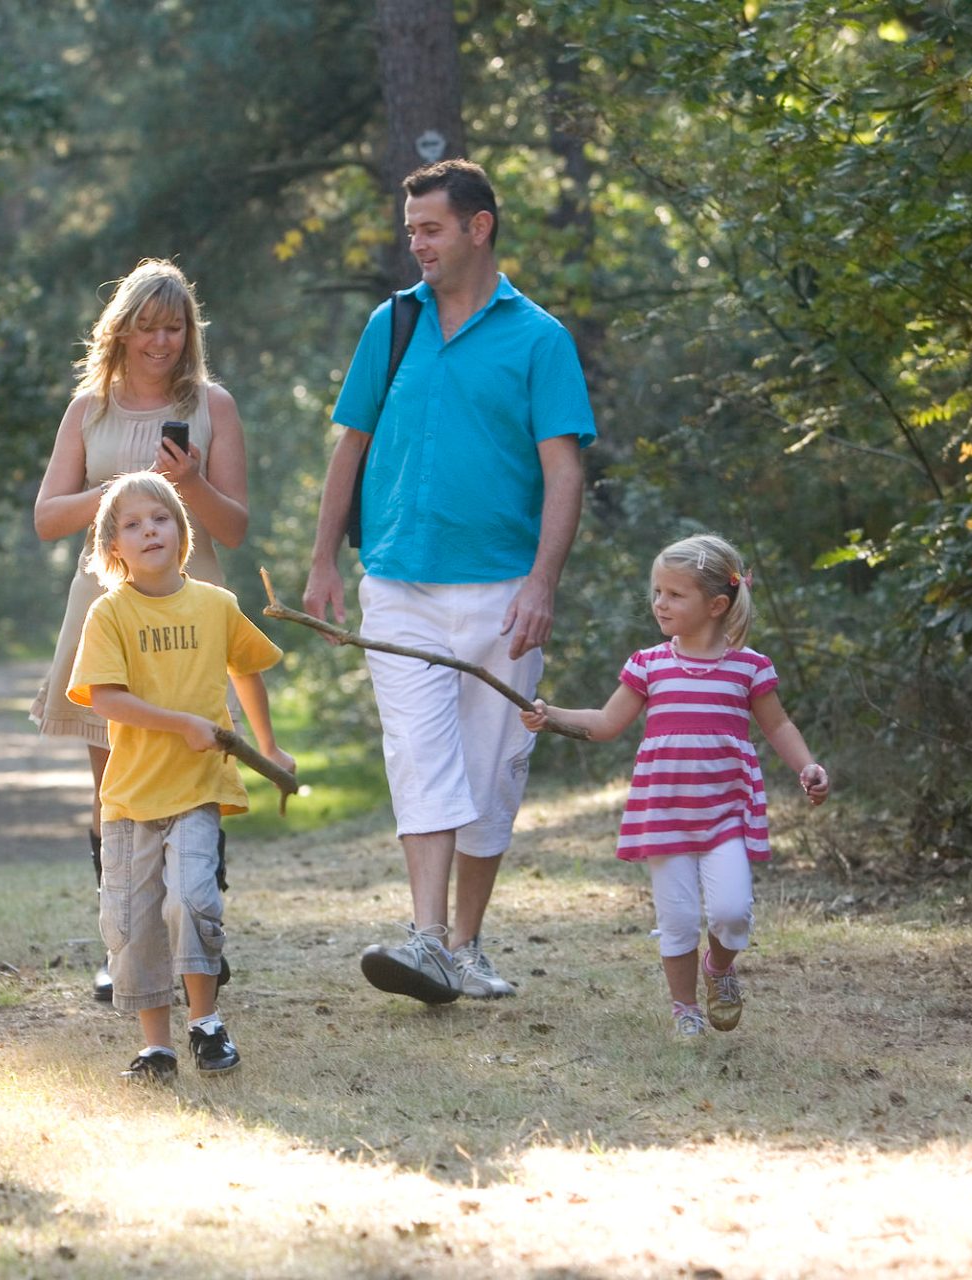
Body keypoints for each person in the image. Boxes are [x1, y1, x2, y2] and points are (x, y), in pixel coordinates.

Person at [302, 159, 595, 1005]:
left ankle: (465, 946)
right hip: (399, 584)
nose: (418, 245)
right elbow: (351, 446)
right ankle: (426, 940)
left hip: (503, 593)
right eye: (412, 232)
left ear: (479, 227)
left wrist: (542, 584)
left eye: (431, 229)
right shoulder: (392, 323)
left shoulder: (539, 339)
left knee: (493, 769)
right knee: (418, 754)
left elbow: (564, 471)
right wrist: (323, 559)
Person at [32, 259, 252, 1002]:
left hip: (192, 615)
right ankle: (125, 948)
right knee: (116, 789)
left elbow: (235, 528)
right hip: (106, 615)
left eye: (174, 327)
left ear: (191, 333)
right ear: (120, 331)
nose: (161, 342)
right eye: (148, 327)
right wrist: (118, 495)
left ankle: (200, 943)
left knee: (197, 776)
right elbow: (46, 518)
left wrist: (189, 483)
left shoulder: (213, 406)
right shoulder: (87, 411)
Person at [520, 534, 829, 1036]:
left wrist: (808, 767)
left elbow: (778, 726)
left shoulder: (749, 666)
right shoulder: (649, 664)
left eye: (674, 594)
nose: (659, 603)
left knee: (732, 913)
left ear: (716, 605)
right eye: (657, 592)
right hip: (664, 812)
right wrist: (550, 715)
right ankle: (685, 1009)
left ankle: (719, 968)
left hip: (726, 812)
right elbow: (606, 723)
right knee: (679, 920)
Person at [66, 471, 293, 1079]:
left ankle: (206, 1025)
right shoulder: (108, 613)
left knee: (193, 901)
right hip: (129, 798)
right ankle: (157, 1047)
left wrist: (270, 747)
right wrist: (181, 723)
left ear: (181, 531)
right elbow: (105, 698)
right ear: (113, 546)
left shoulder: (216, 605)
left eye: (160, 519)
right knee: (134, 924)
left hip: (198, 789)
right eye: (132, 525)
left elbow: (247, 669)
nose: (149, 532)